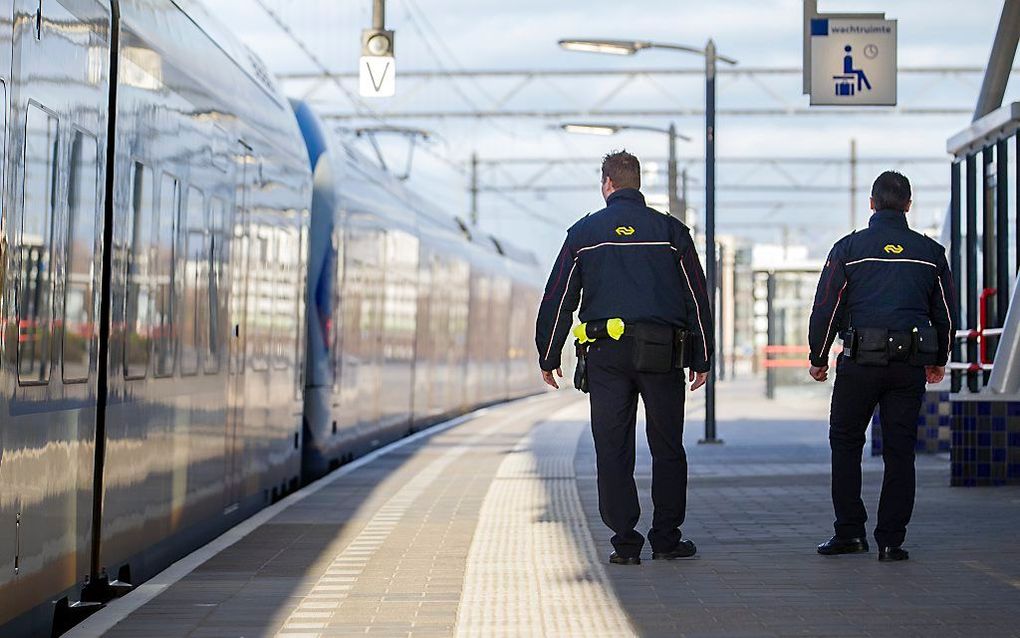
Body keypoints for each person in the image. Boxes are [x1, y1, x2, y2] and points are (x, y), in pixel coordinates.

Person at [535, 150, 714, 566]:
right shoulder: (672, 232)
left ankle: (624, 541)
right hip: (662, 353)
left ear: (607, 184)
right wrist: (702, 358)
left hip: (606, 355)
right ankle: (667, 538)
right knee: (667, 446)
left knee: (613, 447)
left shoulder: (584, 233)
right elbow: (697, 298)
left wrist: (549, 353)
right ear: (638, 183)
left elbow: (558, 296)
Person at [808, 170, 954, 562]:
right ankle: (891, 541)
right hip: (908, 367)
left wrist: (818, 357)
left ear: (871, 204)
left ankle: (850, 532)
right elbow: (947, 315)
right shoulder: (930, 253)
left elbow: (827, 307)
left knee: (845, 443)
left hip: (859, 363)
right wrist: (938, 360)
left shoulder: (848, 249)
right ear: (908, 204)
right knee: (900, 451)